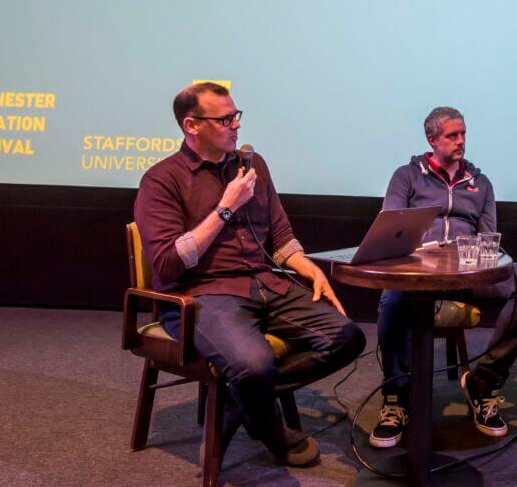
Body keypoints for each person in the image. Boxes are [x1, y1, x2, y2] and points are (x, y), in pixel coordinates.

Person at [134, 82, 365, 467]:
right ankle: (270, 429)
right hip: (203, 295)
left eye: (236, 115)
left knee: (347, 337)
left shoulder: (253, 165)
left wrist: (307, 267)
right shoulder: (161, 180)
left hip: (264, 284)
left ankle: (239, 400)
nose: (236, 125)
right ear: (191, 125)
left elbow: (279, 234)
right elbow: (168, 263)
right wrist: (225, 208)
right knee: (252, 365)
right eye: (224, 119)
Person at [370, 106, 517, 447]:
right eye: (452, 135)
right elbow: (391, 225)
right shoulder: (407, 176)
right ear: (432, 139)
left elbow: (489, 237)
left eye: (463, 134)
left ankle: (484, 381)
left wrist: (478, 257)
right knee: (392, 297)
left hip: (467, 274)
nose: (461, 141)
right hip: (419, 273)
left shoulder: (480, 183)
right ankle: (396, 397)